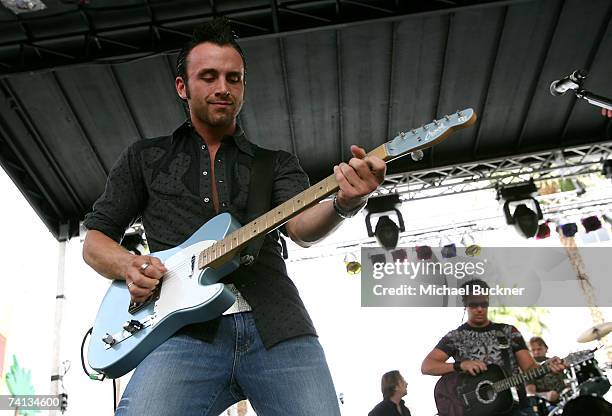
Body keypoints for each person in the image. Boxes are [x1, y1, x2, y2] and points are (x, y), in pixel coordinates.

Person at [82, 17, 386, 416]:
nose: (223, 87)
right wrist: (131, 266)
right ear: (182, 88)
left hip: (278, 326)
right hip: (181, 333)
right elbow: (94, 241)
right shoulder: (145, 158)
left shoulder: (275, 163)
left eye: (234, 78)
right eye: (208, 76)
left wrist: (346, 203)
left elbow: (303, 229)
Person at [420, 279, 565, 416]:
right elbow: (427, 366)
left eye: (484, 303)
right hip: (477, 411)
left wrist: (547, 367)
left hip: (516, 408)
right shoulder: (455, 337)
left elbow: (529, 367)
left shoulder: (509, 332)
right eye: (474, 304)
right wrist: (461, 365)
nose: (479, 309)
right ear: (464, 304)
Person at [526, 337, 565, 404]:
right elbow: (531, 393)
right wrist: (546, 395)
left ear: (546, 349)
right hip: (546, 405)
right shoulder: (529, 369)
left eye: (539, 349)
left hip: (564, 398)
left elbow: (566, 381)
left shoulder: (555, 362)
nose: (536, 352)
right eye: (533, 350)